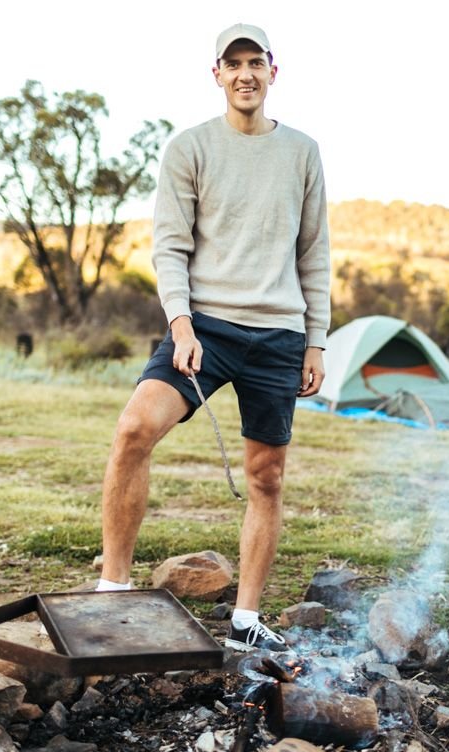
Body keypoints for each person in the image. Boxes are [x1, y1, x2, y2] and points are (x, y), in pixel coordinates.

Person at [96, 23, 330, 653]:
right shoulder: (190, 147)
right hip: (206, 327)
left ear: (273, 73)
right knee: (134, 430)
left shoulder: (303, 152)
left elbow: (314, 255)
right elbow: (169, 246)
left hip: (279, 335)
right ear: (218, 75)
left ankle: (247, 621)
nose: (246, 74)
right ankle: (112, 591)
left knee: (267, 477)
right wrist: (180, 323)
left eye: (257, 63)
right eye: (235, 65)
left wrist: (316, 341)